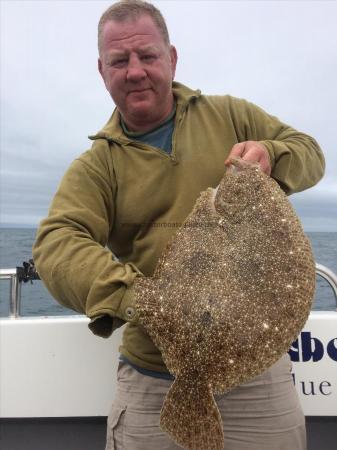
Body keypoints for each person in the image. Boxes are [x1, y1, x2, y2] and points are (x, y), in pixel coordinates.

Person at [32, 1, 325, 449]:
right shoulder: (98, 166)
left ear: (172, 57)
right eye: (119, 61)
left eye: (147, 56)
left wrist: (271, 154)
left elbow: (308, 152)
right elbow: (57, 242)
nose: (134, 71)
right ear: (101, 70)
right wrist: (143, 299)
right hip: (152, 382)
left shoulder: (230, 115)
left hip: (259, 382)